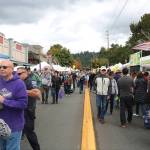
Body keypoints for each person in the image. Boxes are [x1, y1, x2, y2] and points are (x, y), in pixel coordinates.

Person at [0, 60, 28, 150]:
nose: (1, 69)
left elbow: (23, 104)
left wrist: (4, 101)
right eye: (0, 67)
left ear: (12, 69)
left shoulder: (19, 84)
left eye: (4, 67)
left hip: (13, 126)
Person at [17, 67, 41, 150]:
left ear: (25, 73)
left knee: (30, 132)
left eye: (19, 74)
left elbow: (37, 94)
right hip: (21, 109)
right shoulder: (20, 81)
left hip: (29, 110)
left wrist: (23, 90)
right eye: (17, 74)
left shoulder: (30, 81)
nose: (17, 75)